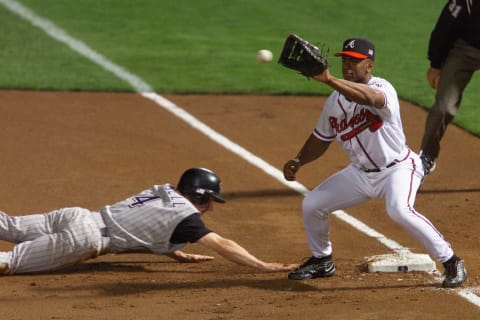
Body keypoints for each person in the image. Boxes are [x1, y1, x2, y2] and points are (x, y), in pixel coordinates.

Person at [282, 38, 467, 288]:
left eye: (354, 61)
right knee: (312, 204)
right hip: (360, 175)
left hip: (399, 168)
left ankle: (452, 261)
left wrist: (329, 80)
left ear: (369, 66)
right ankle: (322, 260)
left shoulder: (383, 88)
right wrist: (298, 160)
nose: (348, 65)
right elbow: (320, 138)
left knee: (399, 210)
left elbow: (371, 99)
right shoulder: (334, 103)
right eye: (345, 60)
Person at [0, 167, 297, 274]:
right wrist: (262, 265)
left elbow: (143, 223)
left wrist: (173, 251)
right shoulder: (188, 218)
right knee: (10, 261)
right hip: (83, 238)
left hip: (76, 215)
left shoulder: (163, 192)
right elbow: (221, 243)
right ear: (200, 195)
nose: (210, 208)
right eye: (210, 201)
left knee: (10, 226)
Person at [419, 0, 480, 174]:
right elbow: (446, 25)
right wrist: (435, 64)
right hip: (466, 49)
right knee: (444, 106)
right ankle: (426, 158)